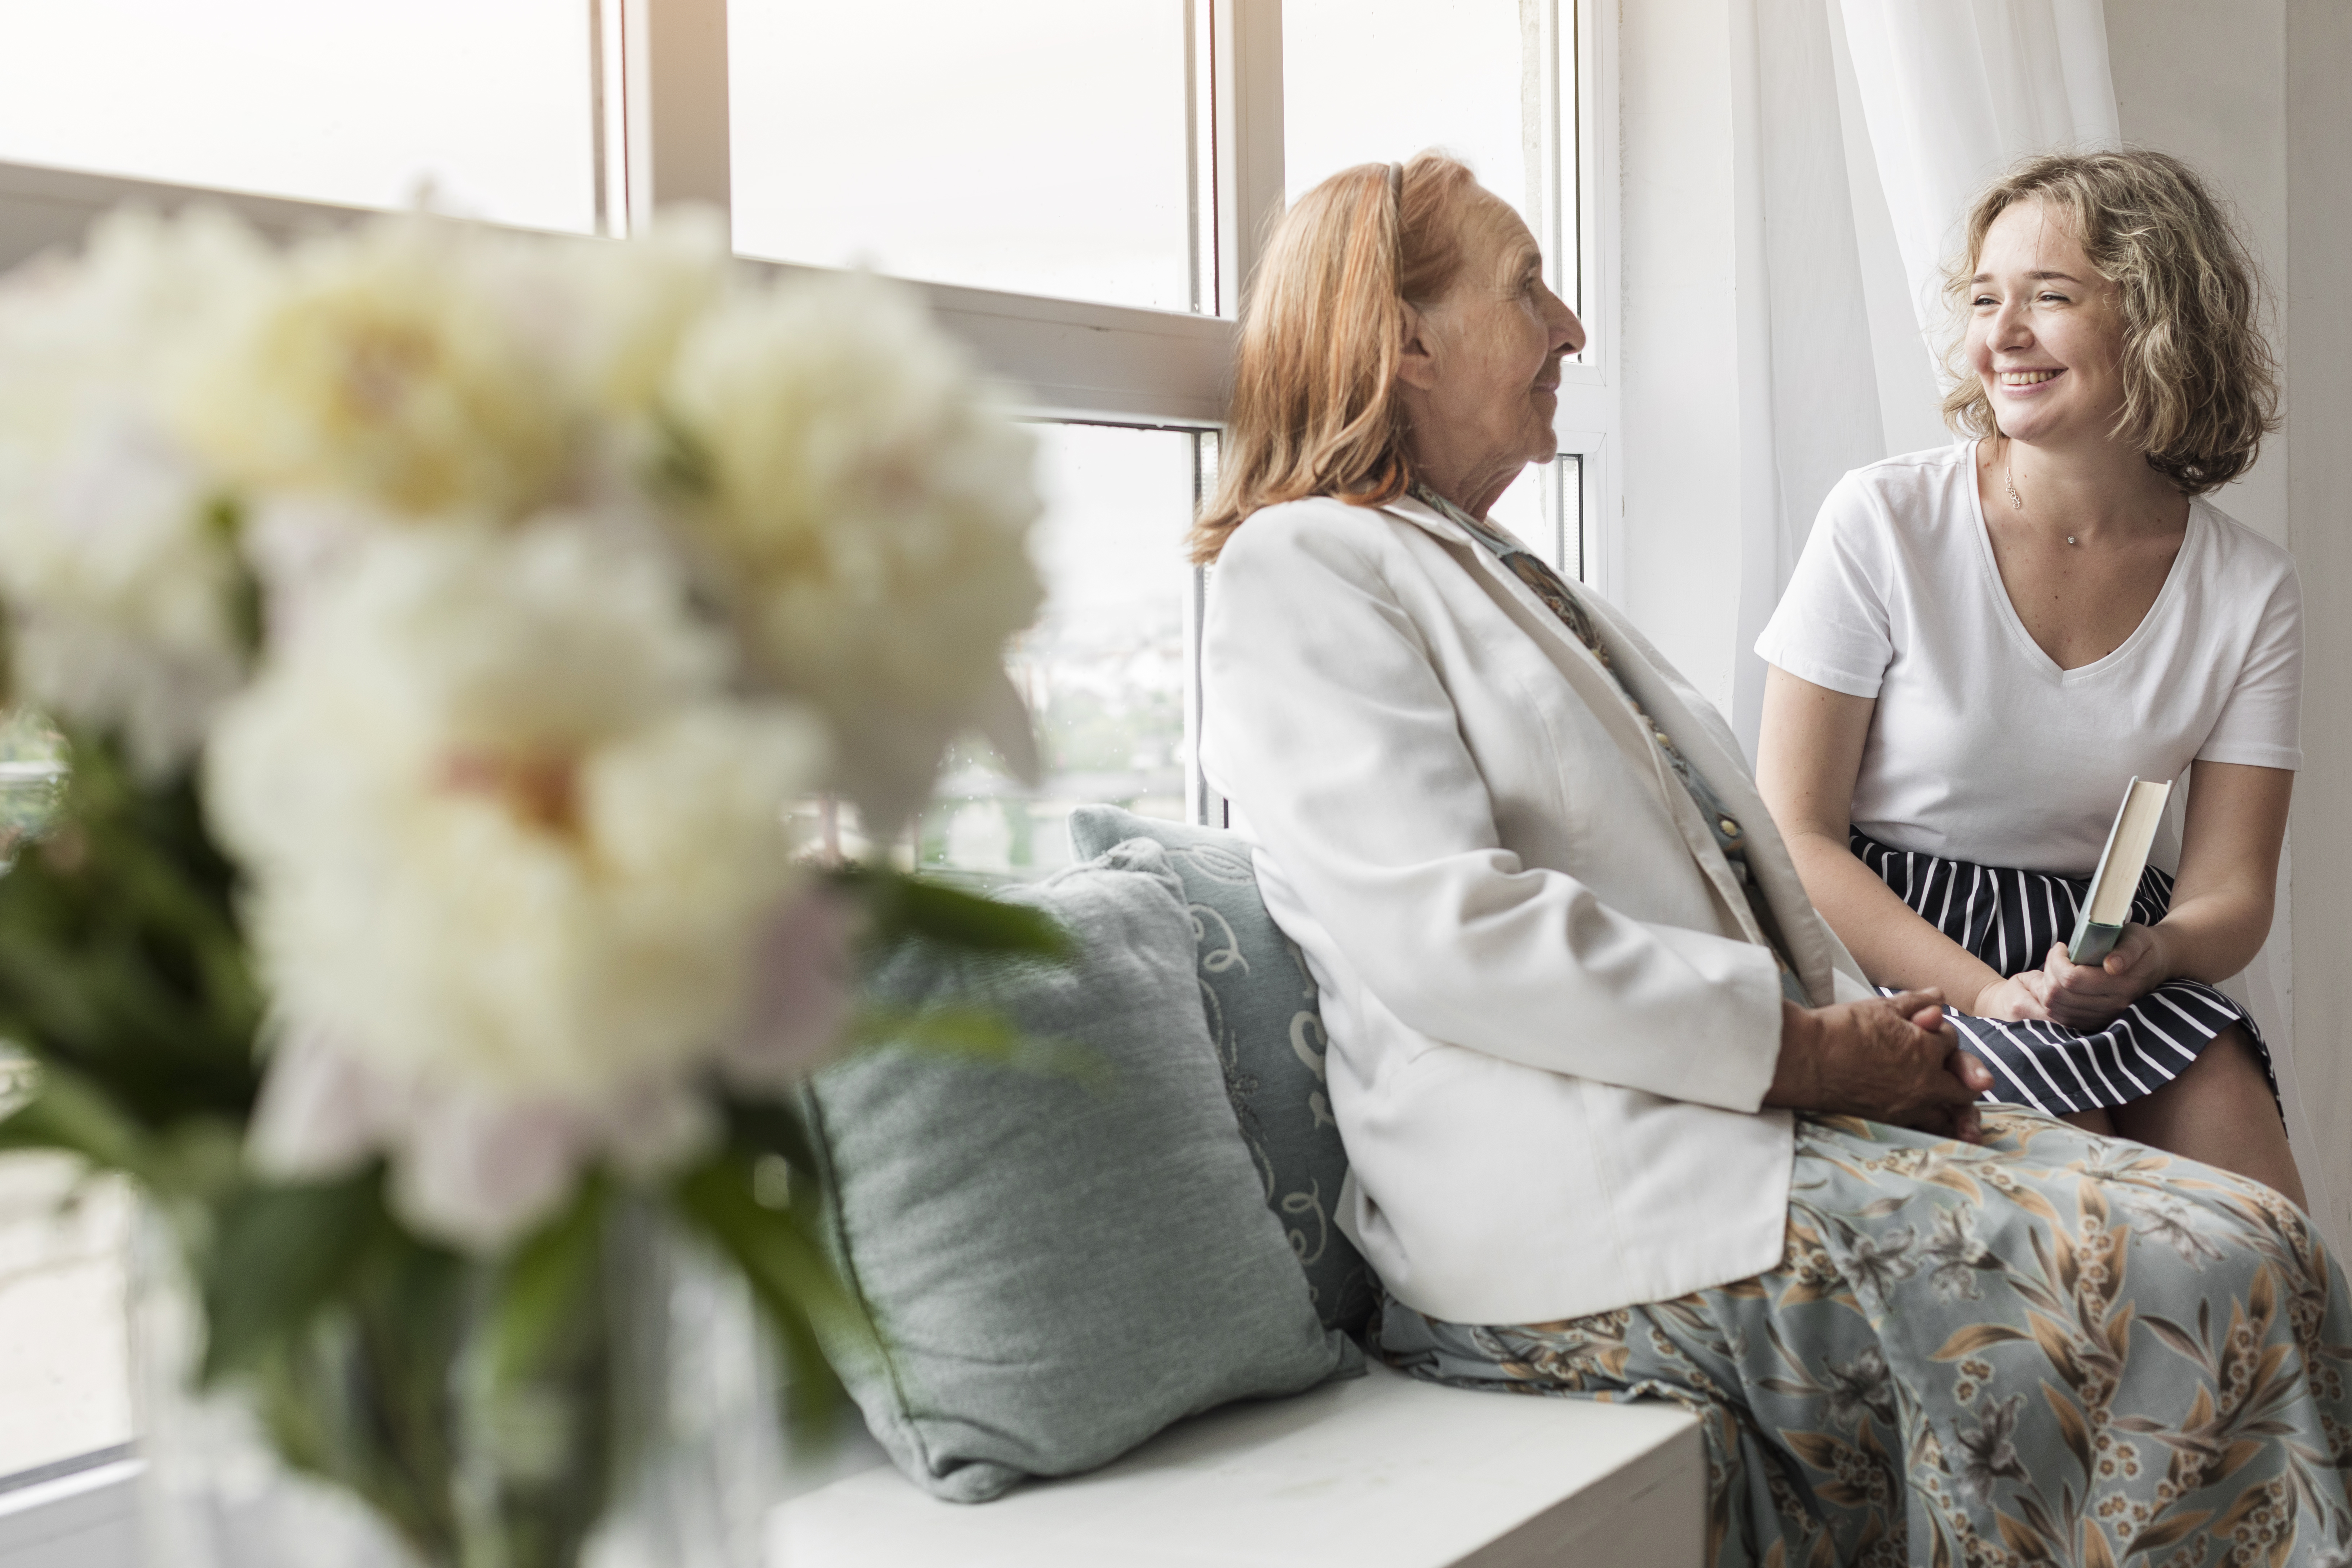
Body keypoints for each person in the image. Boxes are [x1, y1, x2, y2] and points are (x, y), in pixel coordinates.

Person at [1196, 151, 2352, 1568]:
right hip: (1566, 1210)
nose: (1571, 328)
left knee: (2259, 1235)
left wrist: (1871, 1054)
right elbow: (1454, 936)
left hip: (1741, 1135)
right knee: (2213, 1273)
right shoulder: (1304, 567)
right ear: (1405, 342)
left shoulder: (1502, 573)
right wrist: (1814, 1050)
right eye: (1528, 291)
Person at [1753, 150, 2303, 1206]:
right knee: (2088, 1227)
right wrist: (1986, 994)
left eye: (2049, 298)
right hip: (1897, 940)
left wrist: (2150, 954)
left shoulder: (2250, 587)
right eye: (1986, 298)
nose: (2001, 335)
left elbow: (2232, 892)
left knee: (2272, 1231)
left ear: (2157, 323)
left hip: (2106, 961)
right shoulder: (1883, 521)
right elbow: (1797, 834)